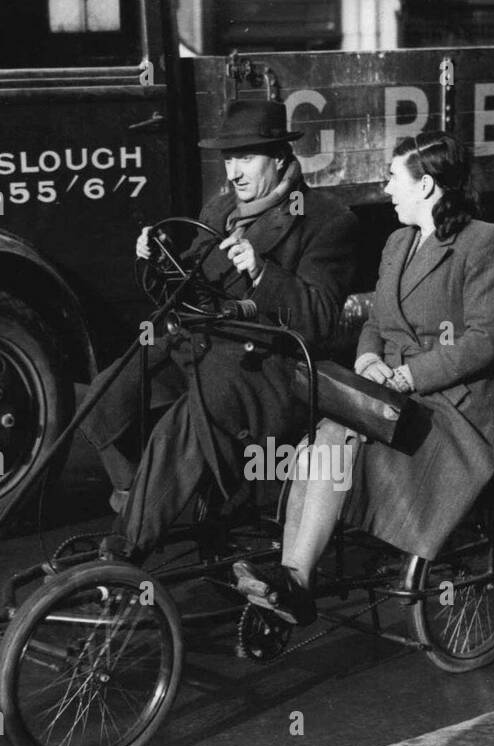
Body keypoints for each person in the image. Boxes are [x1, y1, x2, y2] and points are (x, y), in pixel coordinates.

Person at [232, 132, 494, 625]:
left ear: (427, 186)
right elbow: (375, 324)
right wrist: (367, 361)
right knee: (318, 441)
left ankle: (296, 583)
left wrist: (407, 376)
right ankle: (290, 580)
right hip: (393, 393)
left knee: (334, 437)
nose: (385, 189)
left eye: (392, 178)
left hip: (450, 412)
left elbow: (482, 342)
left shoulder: (487, 244)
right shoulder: (398, 242)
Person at [78, 99, 358, 562]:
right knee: (105, 393)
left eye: (246, 158)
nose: (235, 172)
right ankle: (135, 497)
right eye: (229, 159)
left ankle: (124, 553)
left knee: (183, 425)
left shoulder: (325, 219)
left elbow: (321, 319)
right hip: (197, 342)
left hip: (263, 365)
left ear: (280, 158)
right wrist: (154, 260)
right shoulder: (221, 206)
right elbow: (187, 287)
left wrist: (264, 275)